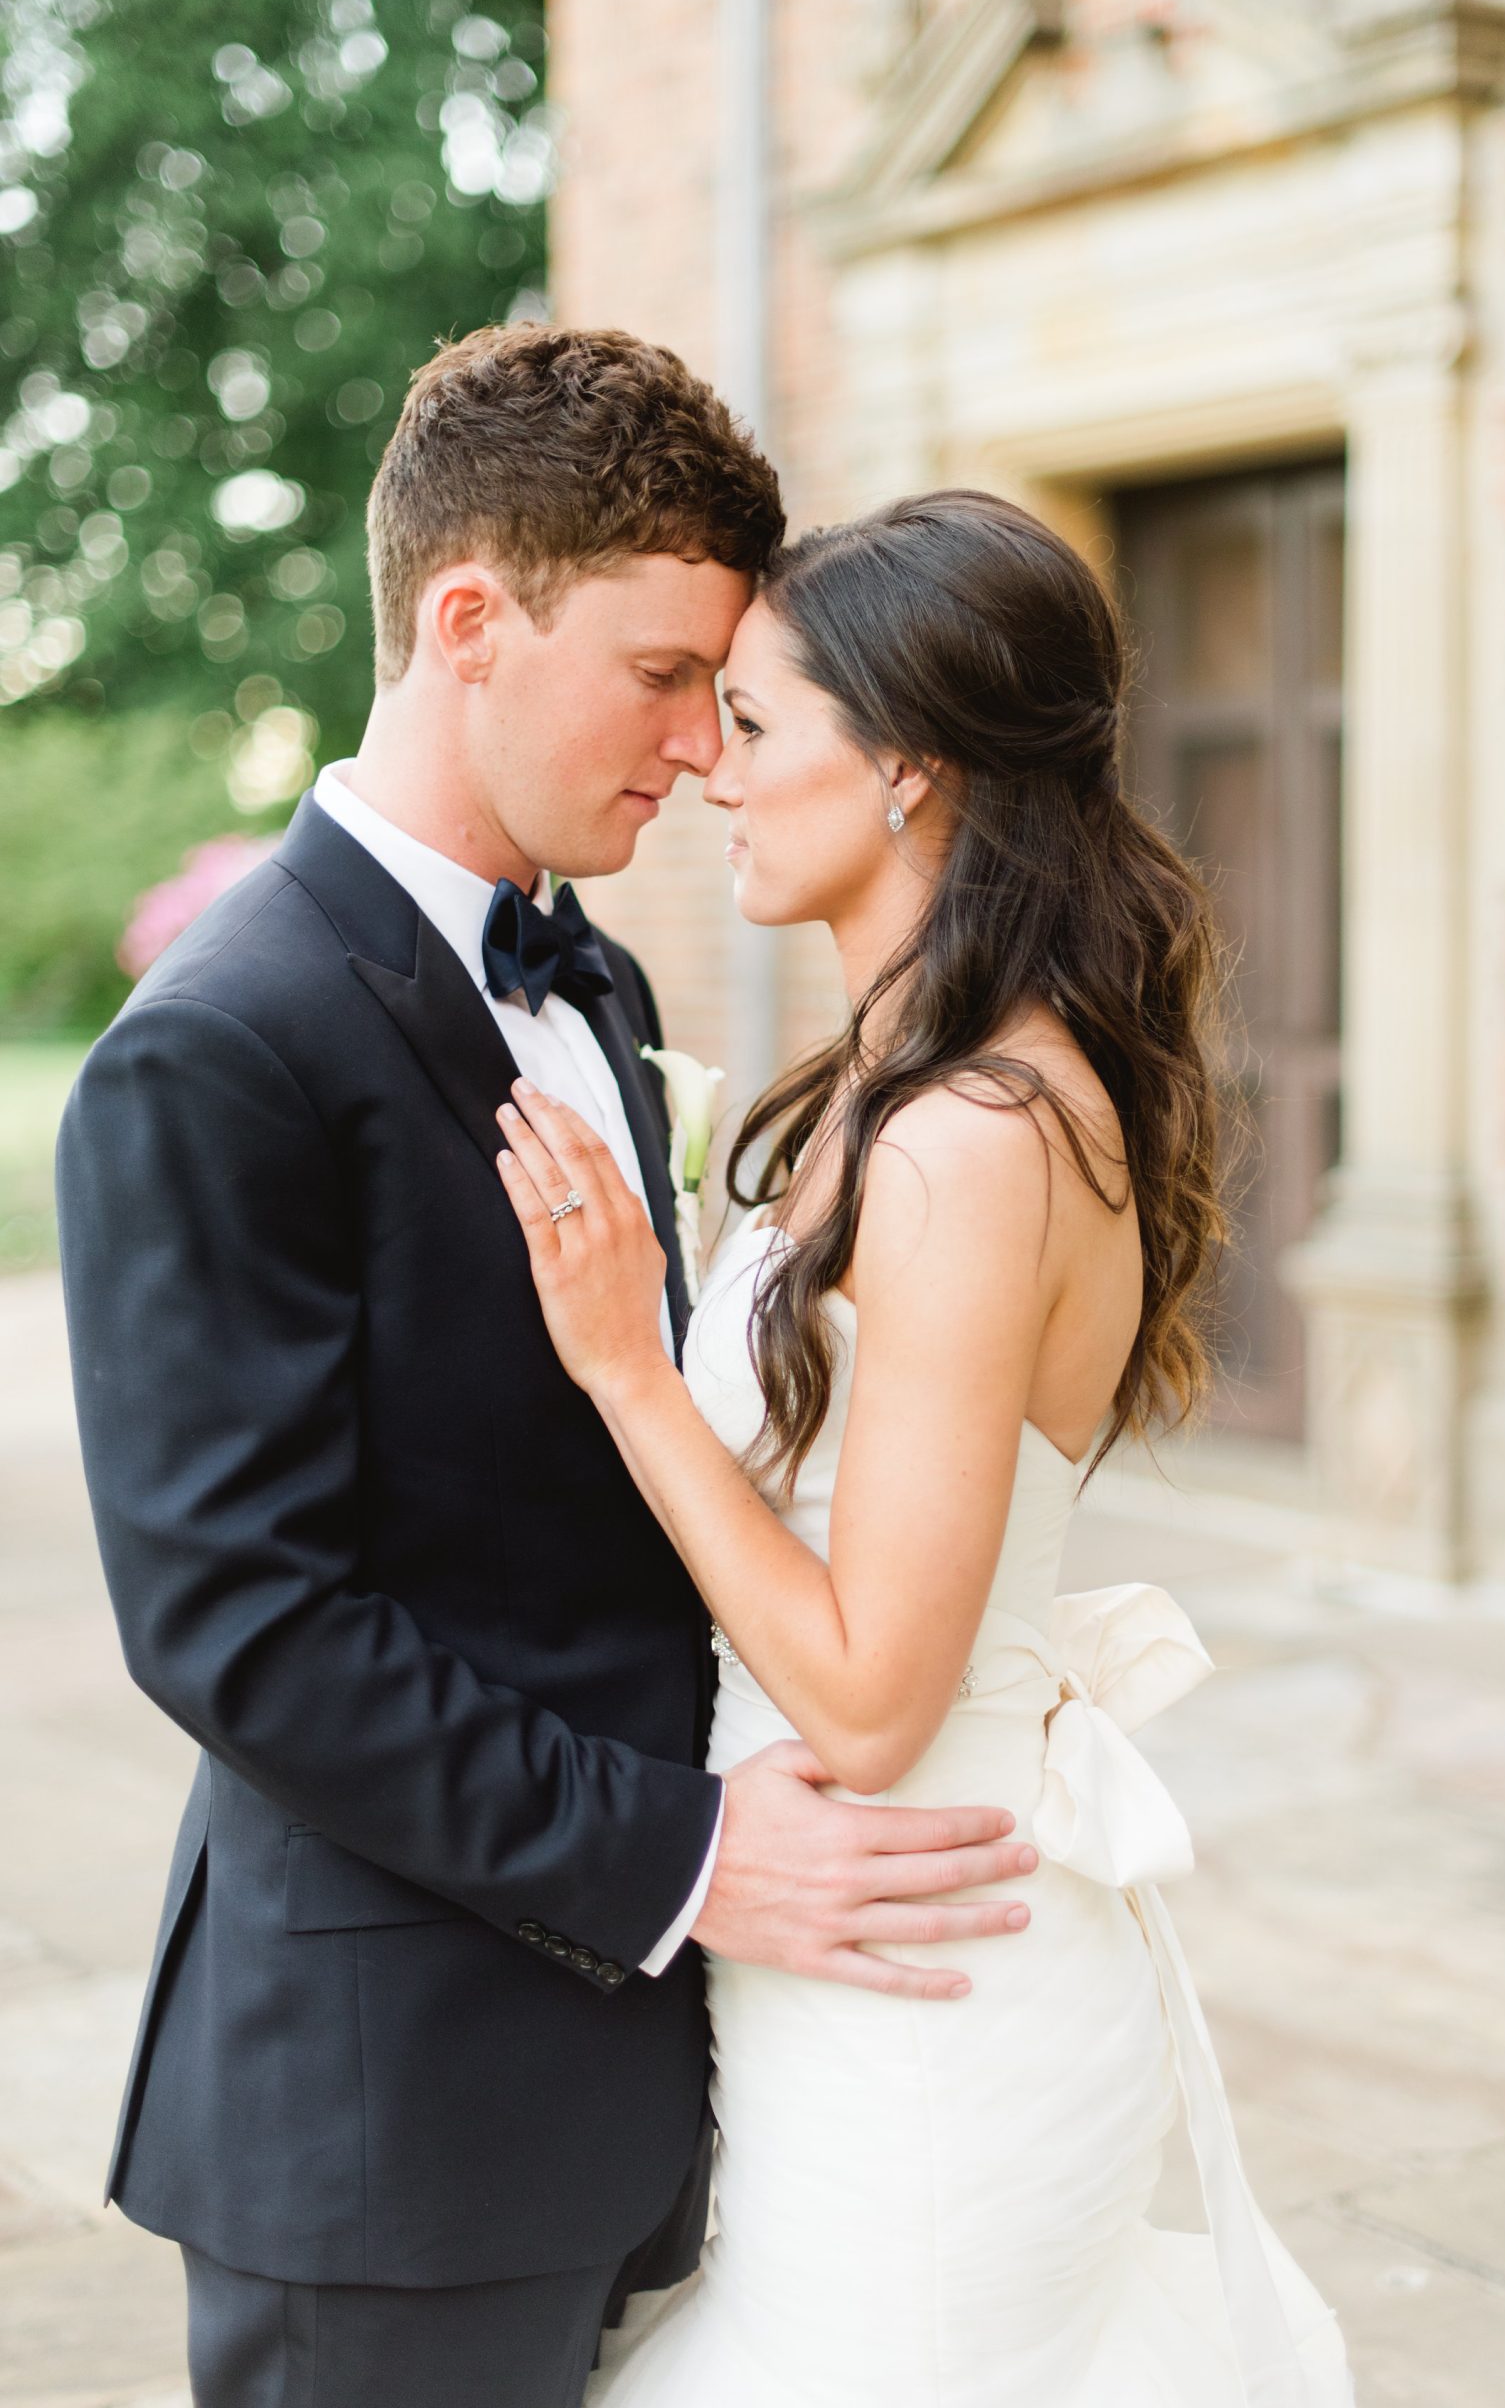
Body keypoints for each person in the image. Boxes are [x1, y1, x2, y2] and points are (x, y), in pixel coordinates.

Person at [55, 330, 1041, 2408]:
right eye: (667, 673)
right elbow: (241, 1624)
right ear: (470, 620)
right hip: (385, 2111)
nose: (702, 746)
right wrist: (684, 1852)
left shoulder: (597, 970)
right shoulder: (217, 1052)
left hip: (641, 2081)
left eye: (722, 689)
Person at [493, 488, 1357, 2406]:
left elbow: (877, 1701)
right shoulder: (904, 1081)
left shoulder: (973, 1133)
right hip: (856, 1957)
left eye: (753, 718)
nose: (708, 767)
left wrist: (635, 1371)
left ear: (903, 767)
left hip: (929, 1991)